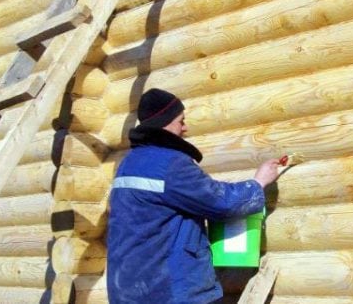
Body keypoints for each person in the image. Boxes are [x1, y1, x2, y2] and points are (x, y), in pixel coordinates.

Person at [106, 88, 280, 304]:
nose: (185, 127)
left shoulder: (128, 164)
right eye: (181, 121)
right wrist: (259, 182)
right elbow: (221, 202)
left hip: (128, 291)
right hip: (170, 292)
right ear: (164, 123)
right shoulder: (170, 164)